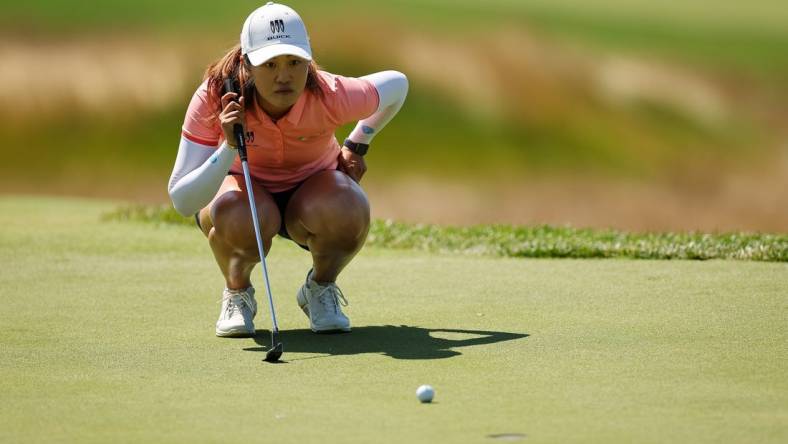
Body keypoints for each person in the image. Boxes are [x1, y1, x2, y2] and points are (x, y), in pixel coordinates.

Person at [167, 2, 408, 337]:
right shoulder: (215, 96)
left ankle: (320, 290)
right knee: (236, 213)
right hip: (243, 193)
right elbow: (182, 200)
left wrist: (357, 143)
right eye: (270, 64)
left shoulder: (329, 93)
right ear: (248, 63)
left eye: (295, 62)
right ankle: (237, 293)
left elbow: (397, 85)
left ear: (308, 60)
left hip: (311, 195)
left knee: (348, 207)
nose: (284, 76)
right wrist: (228, 147)